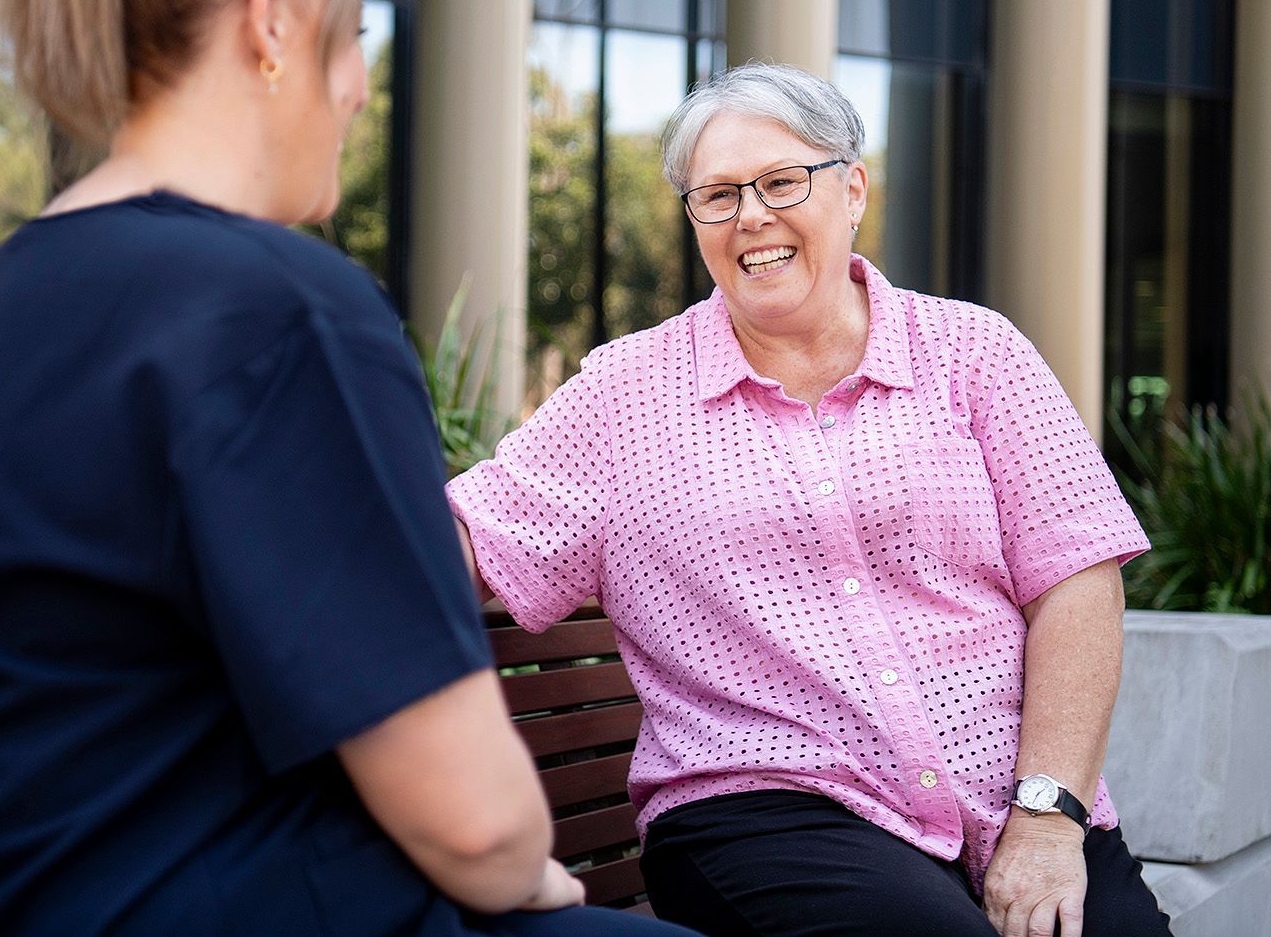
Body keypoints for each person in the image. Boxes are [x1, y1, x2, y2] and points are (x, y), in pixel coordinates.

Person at [0, 0, 689, 935]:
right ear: (272, 21)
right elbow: (482, 828)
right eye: (356, 41)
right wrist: (523, 868)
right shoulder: (288, 307)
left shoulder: (2, 299)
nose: (357, 89)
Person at [449, 62, 1174, 937]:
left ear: (853, 188)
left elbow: (1076, 582)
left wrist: (1049, 818)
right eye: (716, 195)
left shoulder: (977, 353)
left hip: (1010, 798)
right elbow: (469, 538)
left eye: (781, 181)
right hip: (764, 813)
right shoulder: (624, 395)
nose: (751, 215)